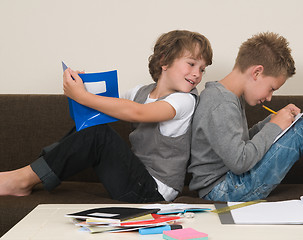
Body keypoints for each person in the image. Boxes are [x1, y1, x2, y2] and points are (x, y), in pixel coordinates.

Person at [0, 30, 213, 203]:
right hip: (133, 179)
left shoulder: (185, 101)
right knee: (92, 127)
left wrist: (83, 97)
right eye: (192, 63)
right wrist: (80, 87)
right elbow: (103, 107)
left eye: (202, 69)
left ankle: (23, 179)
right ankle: (32, 174)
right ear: (164, 61)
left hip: (154, 192)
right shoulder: (141, 92)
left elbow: (137, 112)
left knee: (99, 134)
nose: (197, 74)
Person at [188, 32, 303, 202]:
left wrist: (270, 122)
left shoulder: (226, 96)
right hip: (223, 190)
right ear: (257, 72)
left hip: (226, 185)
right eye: (271, 88)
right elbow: (240, 161)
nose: (270, 97)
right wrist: (275, 127)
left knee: (298, 126)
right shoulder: (221, 103)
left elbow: (237, 144)